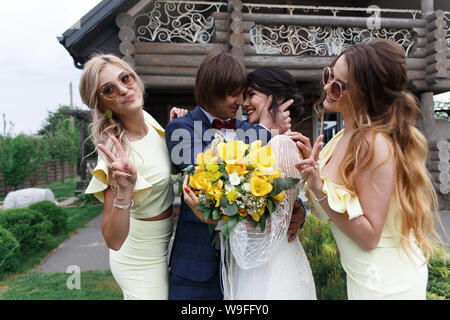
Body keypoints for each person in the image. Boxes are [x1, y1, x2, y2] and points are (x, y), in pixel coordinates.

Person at [297, 38, 440, 299]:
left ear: (366, 94)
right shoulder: (343, 137)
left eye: (338, 86)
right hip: (365, 275)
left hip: (385, 281)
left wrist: (318, 189)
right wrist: (311, 166)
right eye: (328, 74)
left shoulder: (373, 144)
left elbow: (369, 237)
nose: (328, 86)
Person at [165, 52, 305, 300]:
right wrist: (266, 129)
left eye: (244, 93)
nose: (241, 101)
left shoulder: (246, 129)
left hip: (248, 268)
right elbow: (206, 175)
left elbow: (271, 176)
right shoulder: (181, 128)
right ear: (212, 90)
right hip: (197, 271)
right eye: (234, 93)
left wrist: (295, 208)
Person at [81, 54, 186, 300]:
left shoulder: (148, 120)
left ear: (134, 78)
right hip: (138, 258)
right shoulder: (117, 152)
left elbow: (157, 169)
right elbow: (113, 239)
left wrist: (174, 132)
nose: (123, 89)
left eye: (125, 78)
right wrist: (124, 190)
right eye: (109, 89)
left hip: (162, 246)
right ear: (102, 103)